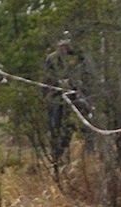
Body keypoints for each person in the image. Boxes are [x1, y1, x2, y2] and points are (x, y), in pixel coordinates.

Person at [45, 35, 84, 163]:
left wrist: (76, 88)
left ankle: (64, 151)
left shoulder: (76, 58)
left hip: (72, 99)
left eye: (67, 45)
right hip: (56, 98)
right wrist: (57, 85)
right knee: (55, 125)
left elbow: (81, 76)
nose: (65, 48)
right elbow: (47, 78)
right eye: (63, 45)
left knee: (70, 125)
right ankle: (56, 155)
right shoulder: (52, 58)